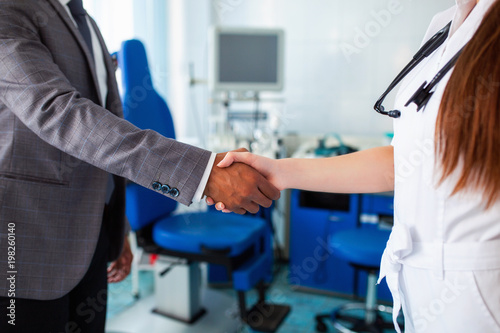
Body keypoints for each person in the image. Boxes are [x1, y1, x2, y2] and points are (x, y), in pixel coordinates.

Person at [210, 0, 500, 331]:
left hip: (480, 286)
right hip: (425, 287)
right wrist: (278, 170)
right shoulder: (445, 26)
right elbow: (401, 161)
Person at [0, 0, 279, 332]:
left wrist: (119, 229)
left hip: (92, 234)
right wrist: (203, 174)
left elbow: (100, 137)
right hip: (25, 242)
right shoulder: (11, 8)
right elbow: (59, 112)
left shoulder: (83, 20)